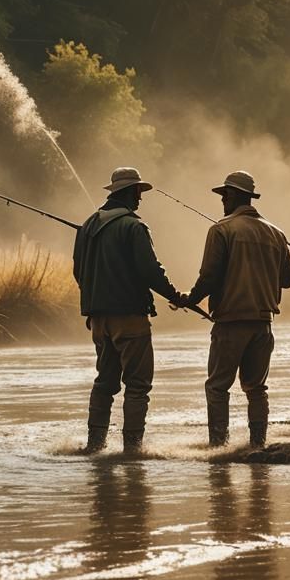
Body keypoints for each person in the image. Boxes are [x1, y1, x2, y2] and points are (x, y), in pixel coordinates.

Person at [72, 166, 185, 455]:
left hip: (98, 319)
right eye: (139, 192)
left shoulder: (87, 226)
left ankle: (95, 446)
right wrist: (176, 296)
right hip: (130, 317)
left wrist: (95, 303)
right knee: (137, 385)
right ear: (131, 192)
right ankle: (132, 451)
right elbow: (150, 271)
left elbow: (78, 272)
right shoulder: (134, 227)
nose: (140, 199)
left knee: (104, 383)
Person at [182, 171, 290, 448]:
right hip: (263, 323)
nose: (222, 201)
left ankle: (218, 447)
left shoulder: (221, 230)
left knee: (217, 387)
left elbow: (209, 276)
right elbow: (288, 279)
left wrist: (190, 299)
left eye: (224, 195)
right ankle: (258, 445)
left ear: (233, 195)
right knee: (256, 388)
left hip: (230, 322)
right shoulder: (277, 234)